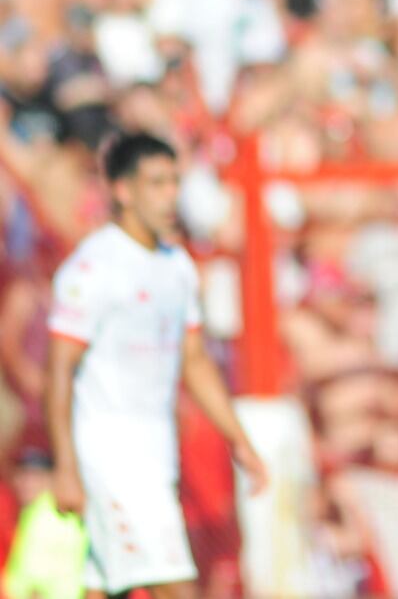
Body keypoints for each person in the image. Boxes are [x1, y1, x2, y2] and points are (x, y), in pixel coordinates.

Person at [46, 133, 268, 599]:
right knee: (175, 585)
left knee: (105, 585)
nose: (170, 196)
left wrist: (239, 440)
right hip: (110, 453)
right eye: (156, 183)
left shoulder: (177, 267)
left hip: (155, 450)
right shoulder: (94, 267)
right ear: (123, 191)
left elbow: (194, 361)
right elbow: (60, 369)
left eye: (174, 182)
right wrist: (65, 465)